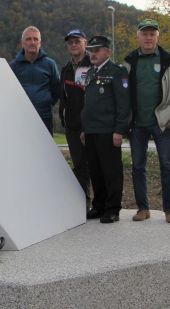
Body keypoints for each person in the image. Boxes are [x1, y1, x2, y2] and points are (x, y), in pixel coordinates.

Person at [123, 18, 170, 223]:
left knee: (167, 165)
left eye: (152, 34)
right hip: (137, 124)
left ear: (158, 36)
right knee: (138, 167)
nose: (148, 37)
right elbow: (122, 92)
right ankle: (143, 208)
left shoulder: (169, 60)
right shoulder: (130, 60)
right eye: (145, 34)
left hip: (162, 123)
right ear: (138, 37)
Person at [80, 36, 130, 223]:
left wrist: (119, 129)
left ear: (107, 52)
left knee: (111, 171)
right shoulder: (91, 72)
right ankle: (99, 206)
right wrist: (85, 128)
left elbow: (123, 104)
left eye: (97, 50)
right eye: (91, 50)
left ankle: (113, 209)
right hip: (92, 129)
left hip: (108, 130)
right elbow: (89, 104)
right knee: (96, 171)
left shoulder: (117, 72)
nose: (93, 53)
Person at [59, 29, 92, 210]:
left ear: (85, 43)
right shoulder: (66, 68)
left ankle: (103, 203)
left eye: (77, 41)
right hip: (72, 126)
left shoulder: (93, 64)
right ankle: (83, 203)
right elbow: (62, 96)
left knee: (96, 165)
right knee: (79, 166)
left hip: (92, 126)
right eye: (70, 42)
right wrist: (63, 117)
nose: (73, 45)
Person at [9, 26, 61, 135]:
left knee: (45, 152)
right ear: (22, 43)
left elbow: (56, 90)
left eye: (35, 39)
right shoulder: (13, 67)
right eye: (28, 39)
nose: (32, 42)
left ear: (40, 43)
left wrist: (45, 102)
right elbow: (9, 93)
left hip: (44, 118)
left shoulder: (50, 64)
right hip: (20, 119)